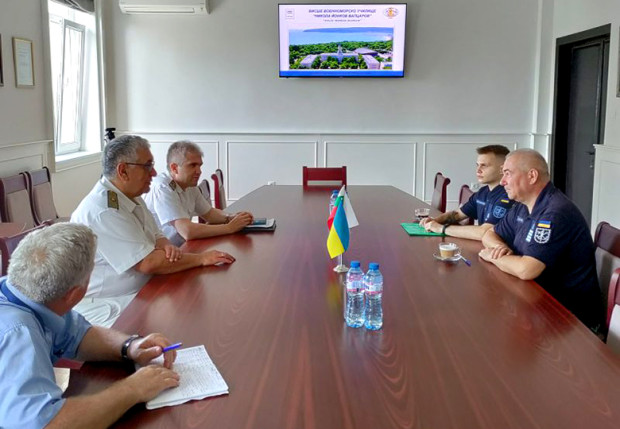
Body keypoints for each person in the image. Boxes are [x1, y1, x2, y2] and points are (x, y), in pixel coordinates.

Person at [0, 223, 180, 429]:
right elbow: (44, 425)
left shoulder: (20, 290)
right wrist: (133, 389)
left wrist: (129, 346)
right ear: (75, 294)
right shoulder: (17, 333)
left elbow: (78, 334)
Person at [71, 135, 235, 327]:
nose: (154, 172)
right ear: (123, 170)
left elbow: (156, 233)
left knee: (196, 309)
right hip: (109, 302)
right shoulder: (104, 211)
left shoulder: (130, 196)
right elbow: (148, 263)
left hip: (140, 288)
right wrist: (202, 259)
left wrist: (166, 246)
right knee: (184, 323)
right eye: (147, 166)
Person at [479, 148, 601, 330]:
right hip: (539, 303)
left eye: (508, 174)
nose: (503, 181)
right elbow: (489, 234)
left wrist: (493, 256)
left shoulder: (555, 212)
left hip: (571, 321)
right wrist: (499, 247)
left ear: (532, 176)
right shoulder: (524, 205)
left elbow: (527, 269)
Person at [144, 140, 254, 246]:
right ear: (174, 168)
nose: (199, 171)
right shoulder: (162, 187)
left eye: (199, 166)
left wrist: (231, 217)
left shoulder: (189, 185)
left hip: (179, 248)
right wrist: (229, 228)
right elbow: (187, 231)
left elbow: (209, 214)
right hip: (162, 254)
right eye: (192, 165)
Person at [421, 145, 514, 240]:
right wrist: (434, 221)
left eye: (484, 165)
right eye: (477, 165)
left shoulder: (508, 196)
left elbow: (485, 232)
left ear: (502, 169)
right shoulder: (483, 192)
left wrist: (442, 228)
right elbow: (457, 214)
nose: (478, 170)